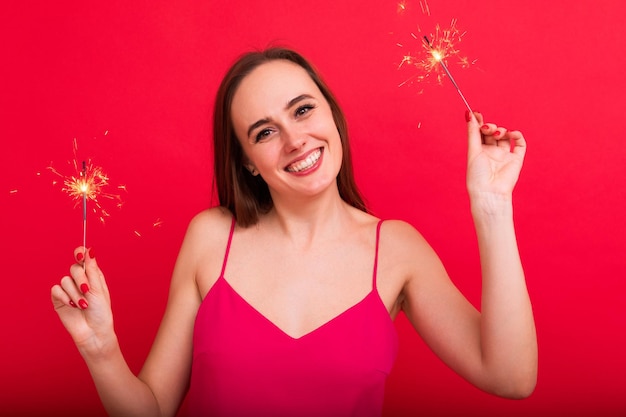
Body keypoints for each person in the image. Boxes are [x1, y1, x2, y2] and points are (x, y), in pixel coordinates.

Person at [51, 47, 537, 417]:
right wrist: (102, 351)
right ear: (248, 161)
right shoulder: (209, 238)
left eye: (303, 110)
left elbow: (511, 376)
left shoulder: (397, 249)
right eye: (264, 132)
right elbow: (152, 409)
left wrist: (492, 205)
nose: (295, 140)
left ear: (330, 114)